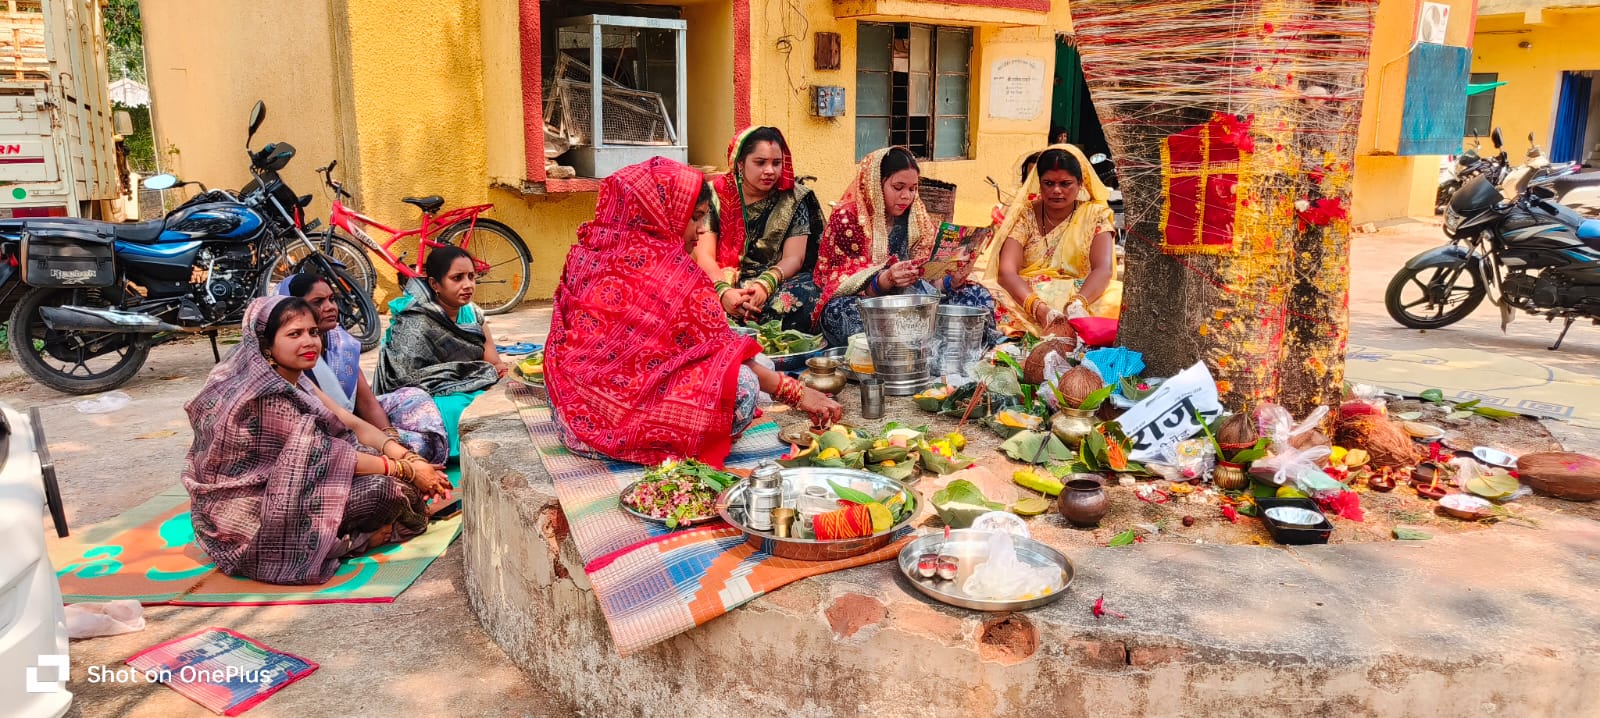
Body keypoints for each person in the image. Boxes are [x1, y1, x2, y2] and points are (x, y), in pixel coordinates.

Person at [545, 157, 842, 468]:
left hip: (572, 414)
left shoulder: (587, 253)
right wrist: (796, 393)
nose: (701, 231)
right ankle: (650, 443)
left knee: (754, 364)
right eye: (695, 218)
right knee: (743, 385)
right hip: (623, 422)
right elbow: (719, 354)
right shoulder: (673, 274)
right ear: (660, 214)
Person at [182, 295, 452, 585]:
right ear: (265, 343)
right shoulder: (265, 396)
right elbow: (323, 456)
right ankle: (352, 543)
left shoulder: (294, 377)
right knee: (386, 490)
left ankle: (359, 527)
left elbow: (348, 421)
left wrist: (407, 457)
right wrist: (406, 470)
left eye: (313, 332)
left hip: (296, 485)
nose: (309, 342)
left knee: (399, 468)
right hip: (252, 516)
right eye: (294, 334)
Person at [813, 147, 997, 347]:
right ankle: (938, 341)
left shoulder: (916, 217)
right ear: (876, 183)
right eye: (898, 187)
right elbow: (838, 283)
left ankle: (930, 341)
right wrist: (886, 280)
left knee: (978, 296)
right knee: (840, 315)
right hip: (868, 302)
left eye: (912, 188)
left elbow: (929, 278)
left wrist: (950, 281)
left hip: (914, 298)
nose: (906, 196)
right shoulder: (847, 218)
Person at [277, 273, 448, 464]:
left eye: (332, 299)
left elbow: (366, 401)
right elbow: (333, 421)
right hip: (325, 435)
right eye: (318, 301)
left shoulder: (341, 342)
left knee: (416, 401)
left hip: (355, 421)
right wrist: (395, 458)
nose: (330, 307)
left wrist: (391, 440)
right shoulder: (287, 357)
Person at [980, 144, 1122, 339]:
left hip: (1080, 296)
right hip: (1030, 296)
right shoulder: (1025, 215)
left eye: (1065, 184)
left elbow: (1103, 270)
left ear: (1080, 183)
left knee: (1118, 296)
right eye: (1048, 183)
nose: (1056, 190)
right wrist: (1041, 310)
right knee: (986, 293)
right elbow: (1006, 272)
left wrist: (1076, 305)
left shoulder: (1095, 215)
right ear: (1039, 183)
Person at [373, 246, 504, 456]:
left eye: (472, 277)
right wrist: (475, 380)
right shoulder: (416, 321)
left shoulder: (473, 314)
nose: (468, 285)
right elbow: (404, 380)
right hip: (427, 396)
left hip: (469, 387)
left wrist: (493, 377)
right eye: (457, 278)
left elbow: (493, 364)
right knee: (454, 409)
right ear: (435, 284)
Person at [694, 126, 825, 332]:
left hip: (775, 279)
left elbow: (795, 258)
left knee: (808, 294)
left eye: (776, 163)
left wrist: (765, 285)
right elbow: (704, 256)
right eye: (760, 162)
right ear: (740, 163)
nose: (770, 171)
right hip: (721, 276)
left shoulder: (793, 198)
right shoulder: (715, 194)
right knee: (689, 297)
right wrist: (723, 292)